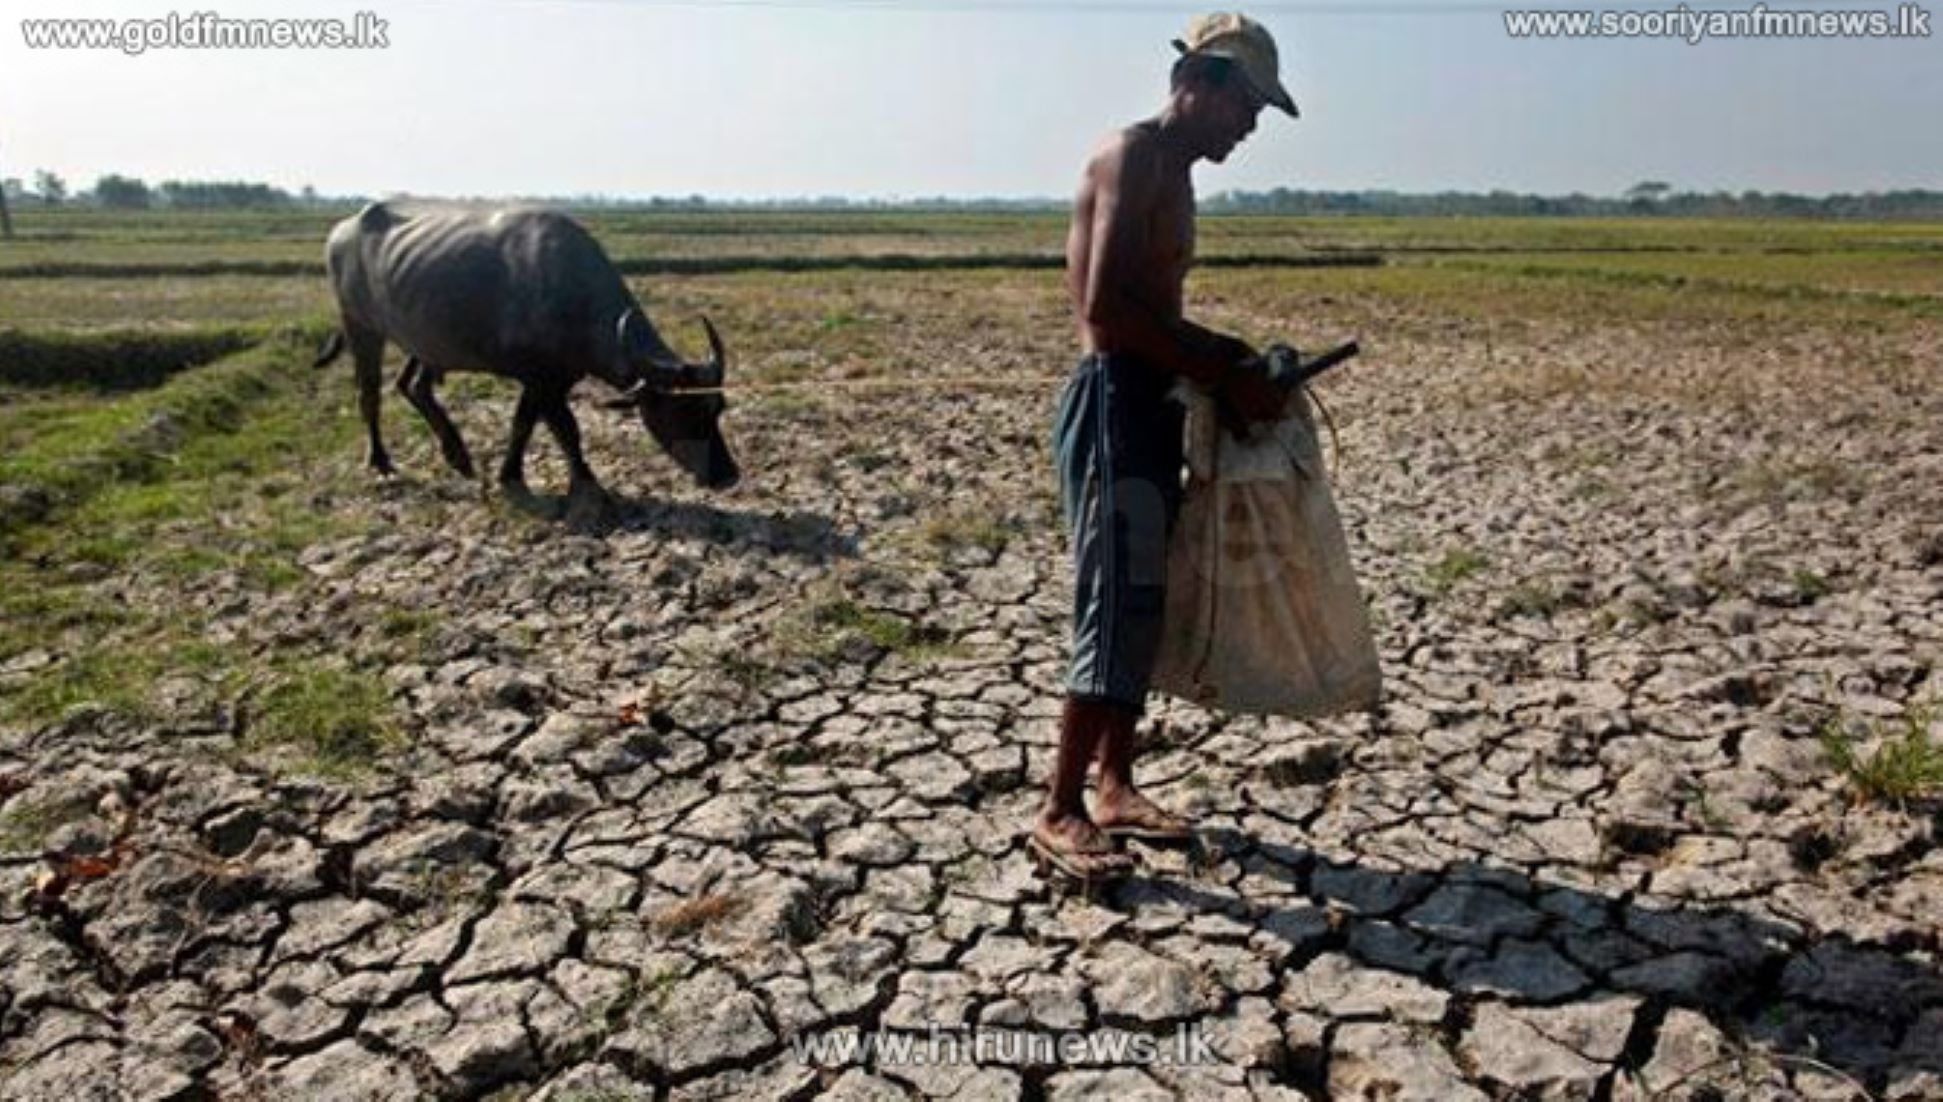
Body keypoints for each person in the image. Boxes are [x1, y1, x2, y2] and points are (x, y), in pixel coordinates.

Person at [1032, 13, 1300, 878]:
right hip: (1113, 404)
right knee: (1112, 607)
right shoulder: (1131, 156)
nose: (1251, 126)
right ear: (1204, 81)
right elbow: (1107, 312)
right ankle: (1059, 807)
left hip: (1150, 403)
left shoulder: (1176, 175)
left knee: (1143, 602)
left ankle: (1116, 786)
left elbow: (1162, 319)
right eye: (1248, 106)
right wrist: (1221, 372)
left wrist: (1227, 359)